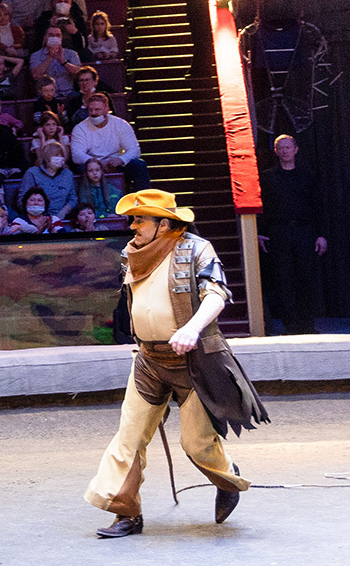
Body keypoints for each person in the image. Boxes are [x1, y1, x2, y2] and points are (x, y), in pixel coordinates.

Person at [85, 189, 266, 538]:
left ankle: (227, 480)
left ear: (163, 223)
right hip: (150, 362)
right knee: (129, 438)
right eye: (133, 219)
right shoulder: (134, 254)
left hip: (194, 361)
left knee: (196, 444)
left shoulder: (196, 249)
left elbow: (217, 294)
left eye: (141, 219)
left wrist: (191, 328)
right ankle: (126, 513)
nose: (134, 226)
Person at [258, 135, 328, 334]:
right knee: (284, 279)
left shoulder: (309, 175)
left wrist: (321, 235)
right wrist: (260, 232)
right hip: (279, 233)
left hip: (305, 232)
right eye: (281, 147)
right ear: (276, 151)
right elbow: (263, 207)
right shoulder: (268, 177)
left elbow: (319, 206)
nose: (285, 151)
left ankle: (308, 325)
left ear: (296, 149)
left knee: (306, 278)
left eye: (288, 147)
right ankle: (291, 326)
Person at [70, 93, 151, 191]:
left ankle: (144, 199)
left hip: (116, 163)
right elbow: (76, 155)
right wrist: (96, 163)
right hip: (92, 164)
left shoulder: (121, 124)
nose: (93, 113)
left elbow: (135, 150)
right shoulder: (80, 128)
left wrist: (121, 159)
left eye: (97, 110)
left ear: (106, 109)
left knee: (139, 165)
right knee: (83, 169)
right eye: (90, 110)